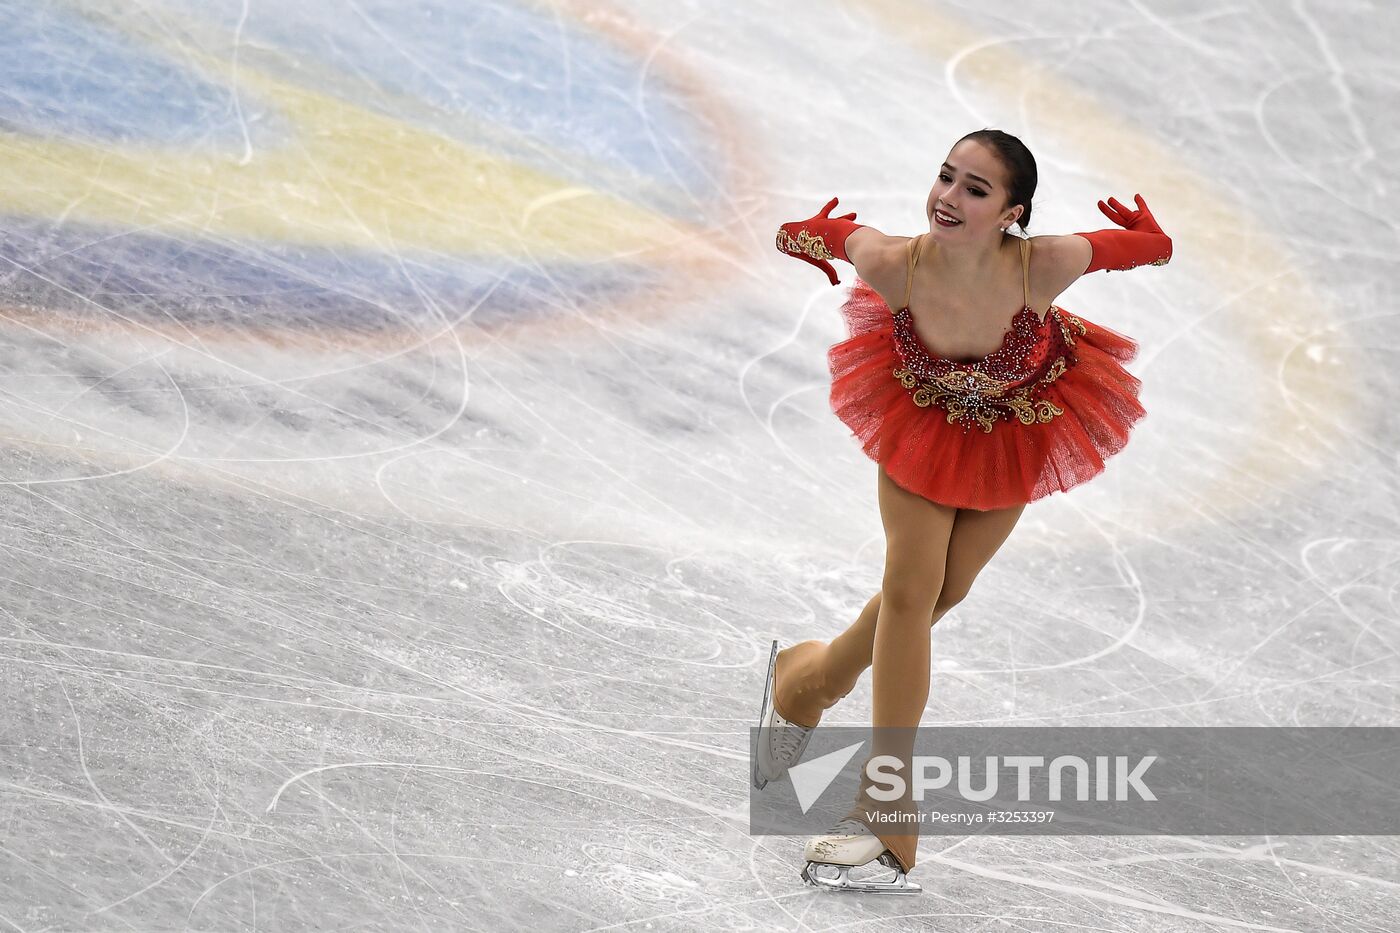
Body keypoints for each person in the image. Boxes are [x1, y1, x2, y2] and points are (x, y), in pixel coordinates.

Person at [756, 128, 1171, 893]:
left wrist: (1152, 236)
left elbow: (1141, 249)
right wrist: (802, 237)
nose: (948, 197)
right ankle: (887, 814)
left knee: (945, 589)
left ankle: (808, 680)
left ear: (1012, 212)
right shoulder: (894, 263)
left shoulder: (1044, 262)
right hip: (918, 417)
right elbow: (819, 232)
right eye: (946, 177)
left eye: (974, 189)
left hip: (1020, 421)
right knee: (913, 589)